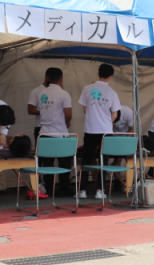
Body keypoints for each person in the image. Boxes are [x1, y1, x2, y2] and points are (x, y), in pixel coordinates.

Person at [77, 63, 121, 199]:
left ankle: (82, 191)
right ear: (110, 77)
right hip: (105, 131)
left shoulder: (87, 88)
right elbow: (115, 114)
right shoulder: (112, 93)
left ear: (98, 73)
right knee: (103, 161)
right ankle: (100, 191)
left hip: (90, 129)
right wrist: (107, 122)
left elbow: (85, 109)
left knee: (87, 160)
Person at [37, 68, 74, 197]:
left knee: (47, 163)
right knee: (64, 162)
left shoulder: (41, 93)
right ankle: (64, 188)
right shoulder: (64, 94)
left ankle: (49, 189)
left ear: (48, 78)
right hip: (59, 133)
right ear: (61, 79)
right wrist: (66, 123)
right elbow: (68, 114)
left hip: (44, 133)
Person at [26, 68, 57, 195]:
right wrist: (45, 112)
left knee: (50, 159)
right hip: (41, 128)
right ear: (47, 77)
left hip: (55, 128)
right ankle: (37, 187)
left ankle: (50, 187)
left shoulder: (57, 91)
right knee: (41, 159)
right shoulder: (36, 91)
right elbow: (30, 109)